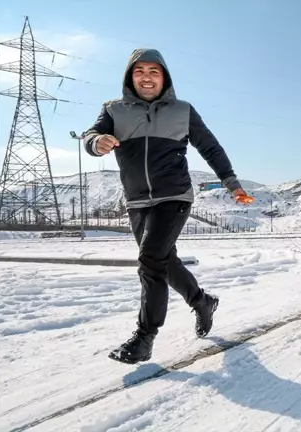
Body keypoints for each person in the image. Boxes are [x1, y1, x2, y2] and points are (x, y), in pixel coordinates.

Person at [83, 48, 252, 364]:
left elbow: (211, 148)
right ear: (130, 77)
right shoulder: (113, 110)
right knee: (164, 261)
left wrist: (232, 183)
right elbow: (92, 135)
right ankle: (202, 302)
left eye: (154, 71)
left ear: (164, 77)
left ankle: (145, 337)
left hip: (173, 196)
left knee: (150, 260)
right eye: (140, 71)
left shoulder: (183, 110)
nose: (146, 77)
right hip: (136, 201)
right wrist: (96, 143)